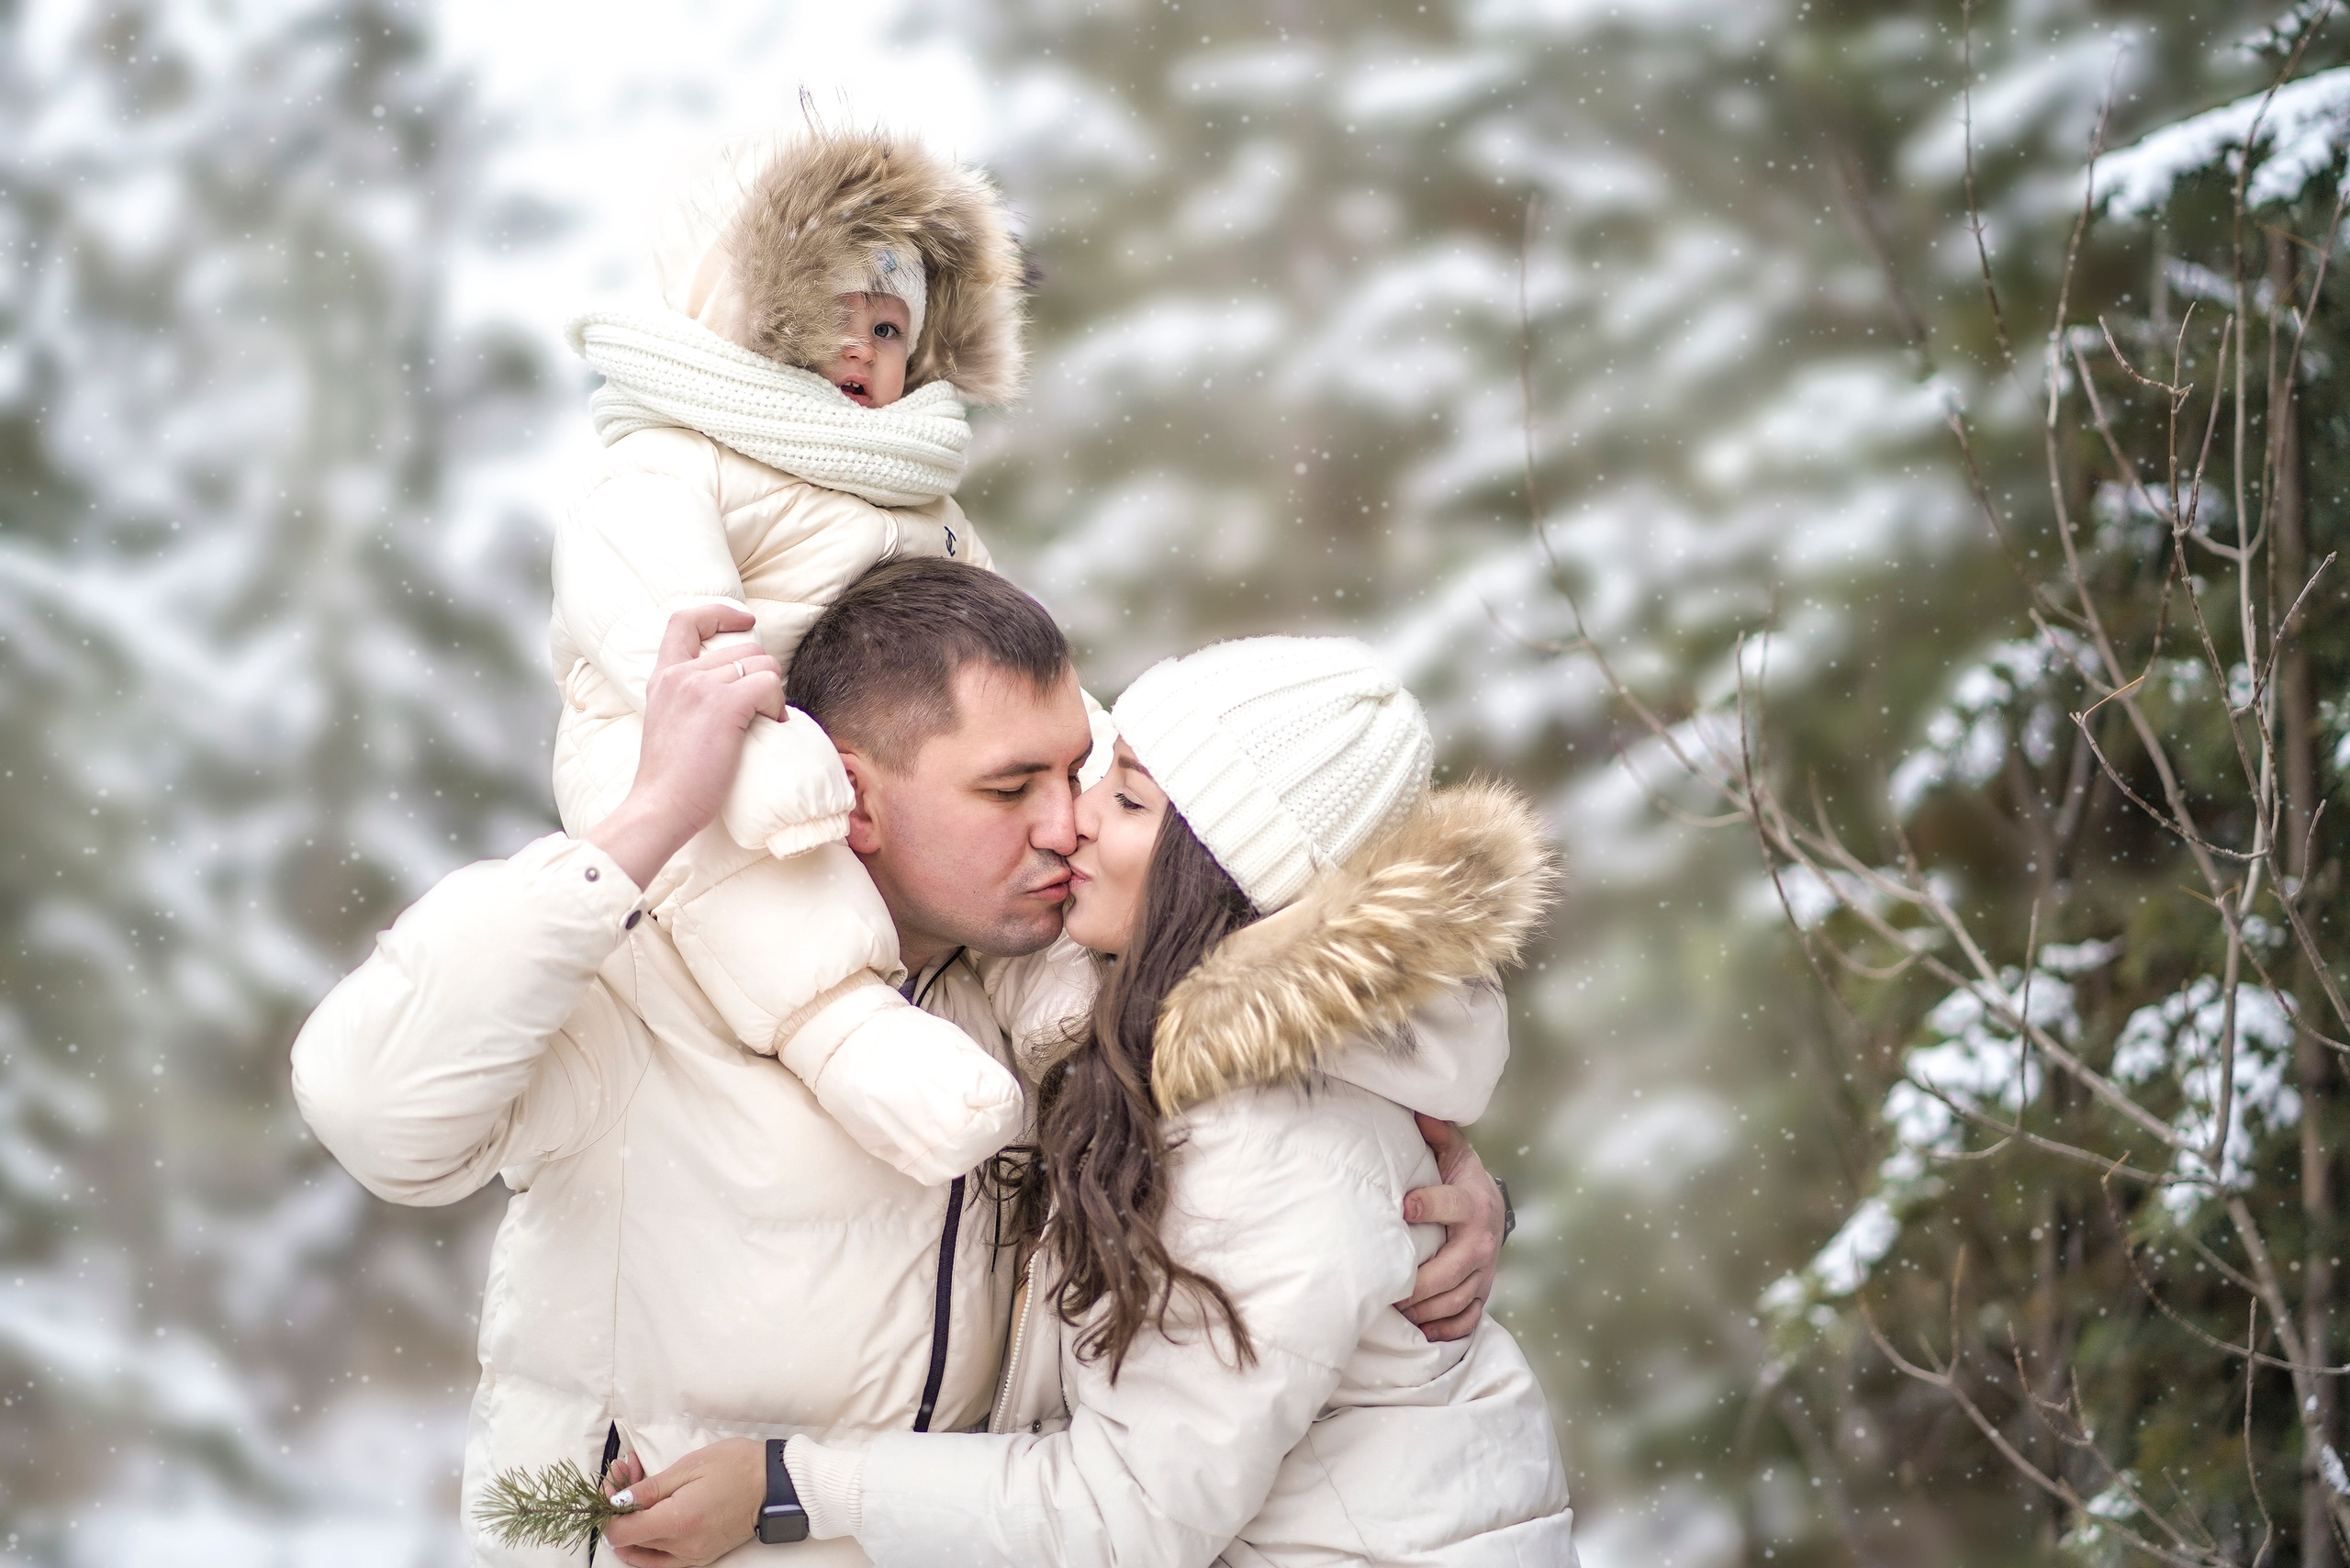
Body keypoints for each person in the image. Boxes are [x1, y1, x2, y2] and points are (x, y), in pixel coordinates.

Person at [291, 563, 1509, 1567]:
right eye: (1009, 788)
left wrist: (1441, 1194)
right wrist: (648, 818)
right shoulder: (647, 977)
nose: (1065, 823)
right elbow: (375, 1114)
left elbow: (1300, 1032)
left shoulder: (1056, 1000)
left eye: (1079, 773)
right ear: (852, 798)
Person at [599, 634, 1575, 1568]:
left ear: (1218, 877)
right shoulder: (1181, 1032)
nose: (1075, 820)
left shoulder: (1264, 1141)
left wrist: (788, 1484)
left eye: (1128, 796)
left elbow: (1120, 1525)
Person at [553, 118, 1058, 1188]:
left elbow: (1011, 648)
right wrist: (755, 741)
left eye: (888, 328)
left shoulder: (922, 500)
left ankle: (1071, 1011)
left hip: (876, 759)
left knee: (1018, 842)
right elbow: (656, 600)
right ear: (750, 314)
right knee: (742, 875)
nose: (861, 350)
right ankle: (847, 1038)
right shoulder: (675, 461)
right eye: (831, 316)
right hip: (675, 738)